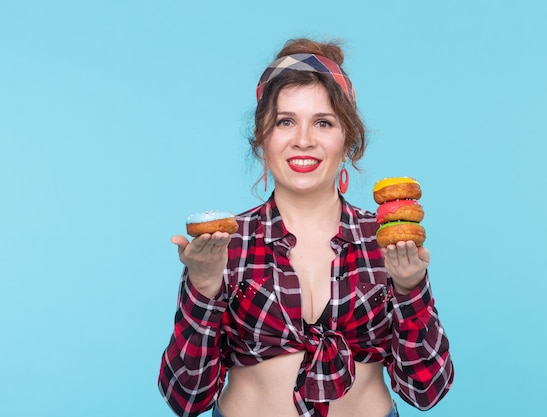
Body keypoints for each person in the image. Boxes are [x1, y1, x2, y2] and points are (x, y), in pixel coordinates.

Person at [158, 38, 454, 417]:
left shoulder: (384, 239)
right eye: (285, 121)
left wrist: (411, 289)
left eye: (323, 122)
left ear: (347, 139)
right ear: (262, 138)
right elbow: (185, 399)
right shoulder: (223, 245)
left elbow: (426, 391)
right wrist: (202, 288)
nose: (303, 140)